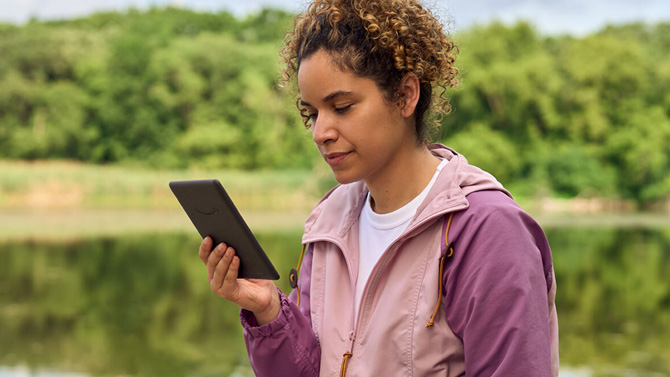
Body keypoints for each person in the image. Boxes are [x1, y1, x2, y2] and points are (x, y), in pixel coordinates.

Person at [198, 0, 559, 375]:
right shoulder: (328, 223)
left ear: (405, 95)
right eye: (311, 113)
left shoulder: (488, 233)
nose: (321, 132)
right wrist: (268, 309)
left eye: (341, 107)